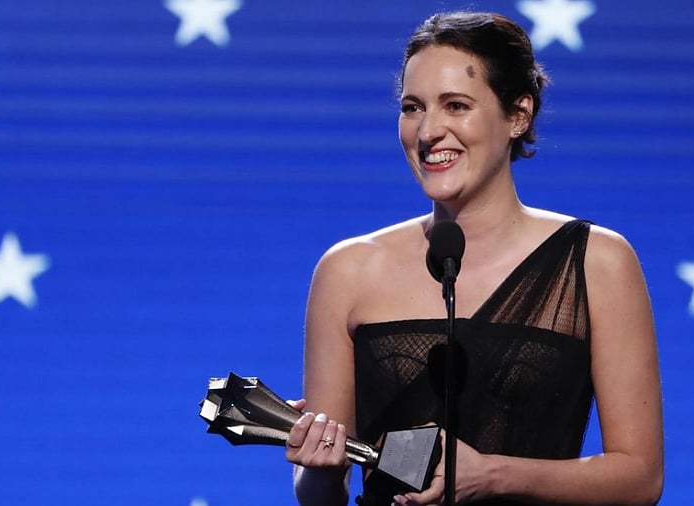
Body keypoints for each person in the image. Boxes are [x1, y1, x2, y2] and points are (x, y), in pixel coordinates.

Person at [284, 11, 663, 506]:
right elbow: (322, 497)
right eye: (413, 107)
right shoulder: (348, 271)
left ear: (518, 115)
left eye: (456, 105)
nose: (428, 131)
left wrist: (491, 475)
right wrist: (316, 471)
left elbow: (640, 478)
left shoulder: (596, 261)